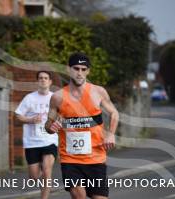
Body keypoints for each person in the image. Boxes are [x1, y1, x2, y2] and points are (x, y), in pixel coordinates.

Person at [45, 52, 119, 199]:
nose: (80, 73)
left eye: (83, 69)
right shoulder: (58, 97)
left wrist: (111, 134)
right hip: (70, 159)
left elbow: (114, 113)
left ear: (88, 71)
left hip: (96, 157)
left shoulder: (98, 92)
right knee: (79, 196)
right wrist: (50, 127)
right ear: (68, 69)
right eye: (76, 68)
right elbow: (48, 124)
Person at [15, 71, 58, 199]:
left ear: (50, 82)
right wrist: (31, 120)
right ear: (37, 81)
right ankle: (45, 181)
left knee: (46, 170)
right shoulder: (30, 98)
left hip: (50, 140)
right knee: (34, 176)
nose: (43, 80)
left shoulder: (55, 98)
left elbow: (64, 115)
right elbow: (18, 115)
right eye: (40, 78)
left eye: (46, 78)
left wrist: (58, 122)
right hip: (32, 142)